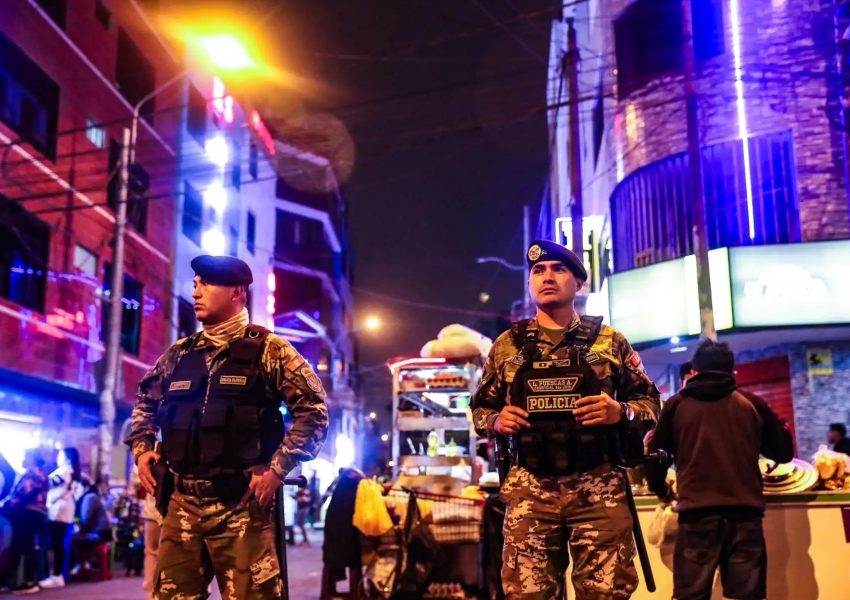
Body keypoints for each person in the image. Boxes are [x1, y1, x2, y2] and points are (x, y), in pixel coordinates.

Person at [124, 254, 329, 599]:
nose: (196, 292)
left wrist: (277, 469)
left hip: (241, 507)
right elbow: (146, 401)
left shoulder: (270, 351)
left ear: (236, 292)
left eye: (206, 284)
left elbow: (314, 411)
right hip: (181, 505)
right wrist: (142, 448)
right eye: (195, 284)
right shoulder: (180, 354)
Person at [471, 240, 661, 599]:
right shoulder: (507, 346)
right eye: (538, 271)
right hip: (530, 492)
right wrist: (496, 421)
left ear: (578, 283)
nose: (548, 277)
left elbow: (651, 403)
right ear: (530, 283)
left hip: (599, 488)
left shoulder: (610, 341)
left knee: (605, 594)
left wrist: (621, 412)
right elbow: (480, 409)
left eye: (559, 269)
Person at [647, 340, 794, 600]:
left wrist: (660, 489)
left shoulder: (677, 405)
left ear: (694, 370)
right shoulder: (751, 404)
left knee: (690, 596)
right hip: (745, 516)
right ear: (731, 371)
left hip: (696, 518)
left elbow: (656, 457)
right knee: (746, 596)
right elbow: (783, 453)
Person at [0, 449, 49, 594]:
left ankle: (26, 582)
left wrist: (6, 506)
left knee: (22, 546)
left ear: (32, 458)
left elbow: (22, 495)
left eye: (25, 456)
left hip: (27, 513)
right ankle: (19, 581)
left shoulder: (32, 474)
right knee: (24, 546)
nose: (22, 459)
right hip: (36, 513)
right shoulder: (42, 473)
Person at [39, 447, 82, 589]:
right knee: (59, 543)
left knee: (56, 543)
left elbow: (49, 483)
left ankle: (56, 575)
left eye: (60, 455)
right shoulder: (72, 471)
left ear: (67, 458)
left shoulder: (65, 470)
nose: (57, 458)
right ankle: (58, 574)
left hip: (58, 510)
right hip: (65, 510)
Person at [70, 476, 114, 575]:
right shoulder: (91, 496)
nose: (75, 491)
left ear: (84, 487)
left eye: (77, 488)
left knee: (72, 539)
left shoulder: (89, 497)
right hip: (101, 532)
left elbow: (86, 520)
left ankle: (79, 565)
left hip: (100, 534)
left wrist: (76, 523)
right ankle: (84, 564)